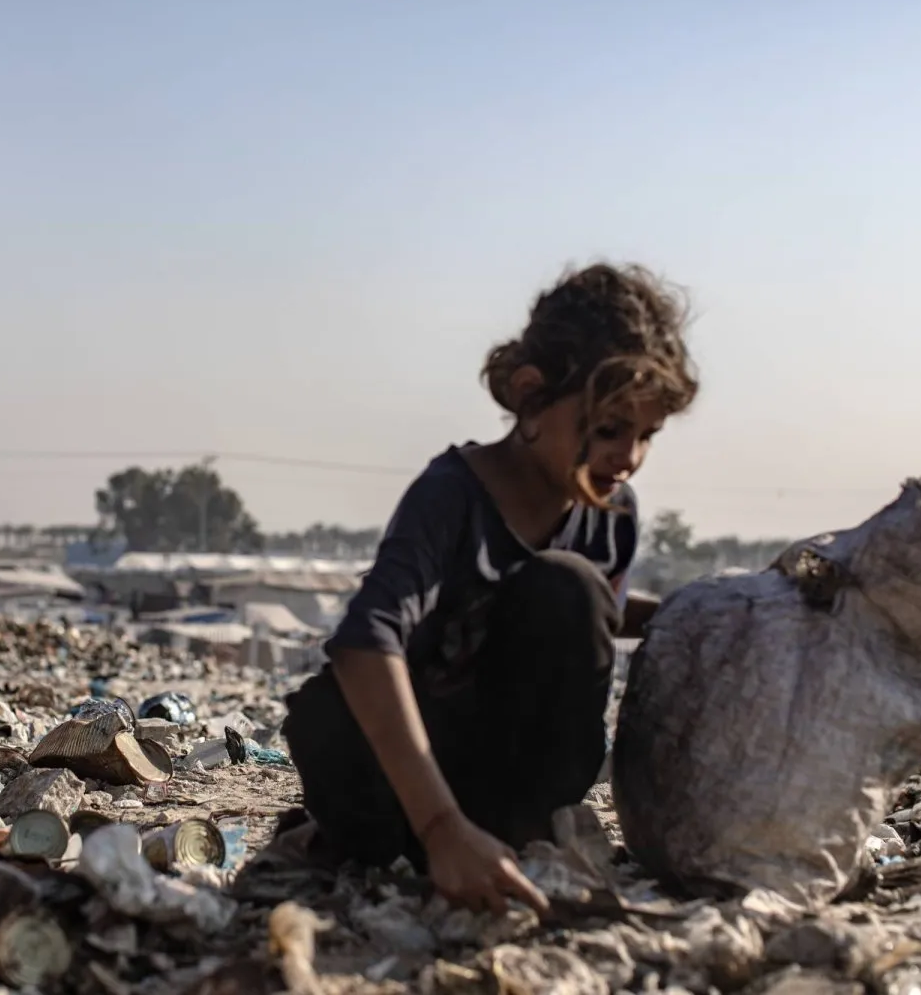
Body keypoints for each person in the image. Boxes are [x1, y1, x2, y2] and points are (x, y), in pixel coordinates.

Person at [282, 262, 699, 915]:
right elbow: (366, 641)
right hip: (399, 781)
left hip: (506, 787)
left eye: (647, 435)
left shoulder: (611, 515)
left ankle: (511, 837)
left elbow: (600, 615)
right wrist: (443, 828)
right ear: (531, 397)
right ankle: (423, 840)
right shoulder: (452, 496)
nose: (630, 456)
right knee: (336, 718)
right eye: (610, 428)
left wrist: (709, 613)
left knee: (574, 590)